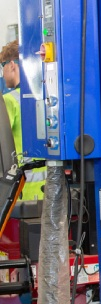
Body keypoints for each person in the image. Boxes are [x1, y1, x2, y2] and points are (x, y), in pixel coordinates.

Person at [1, 40, 46, 201]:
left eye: (2, 66)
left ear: (12, 65)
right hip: (50, 190)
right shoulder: (45, 97)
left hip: (22, 192)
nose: (2, 74)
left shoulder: (9, 100)